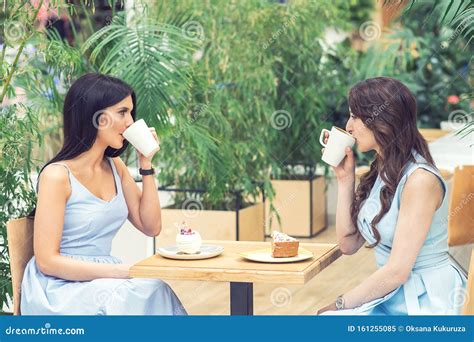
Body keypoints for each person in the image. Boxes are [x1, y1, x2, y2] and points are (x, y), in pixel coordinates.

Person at [21, 73, 186, 315]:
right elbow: (47, 262)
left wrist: (146, 163)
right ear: (96, 117)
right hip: (59, 287)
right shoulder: (57, 176)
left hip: (103, 278)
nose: (130, 122)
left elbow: (151, 226)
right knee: (129, 297)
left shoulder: (115, 166)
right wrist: (121, 271)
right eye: (122, 112)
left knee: (155, 289)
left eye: (131, 112)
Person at [317, 77, 466, 315]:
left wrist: (340, 304)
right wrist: (345, 180)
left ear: (384, 121)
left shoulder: (420, 181)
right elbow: (348, 244)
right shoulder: (382, 171)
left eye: (356, 116)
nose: (348, 126)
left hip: (428, 301)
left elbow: (397, 271)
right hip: (392, 296)